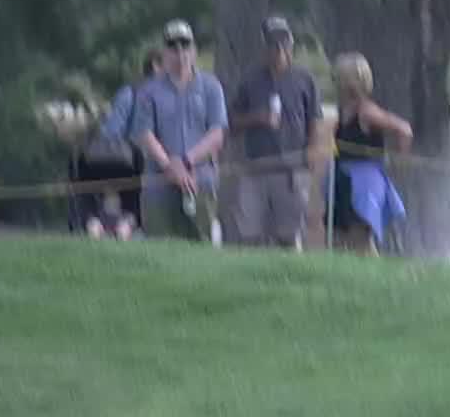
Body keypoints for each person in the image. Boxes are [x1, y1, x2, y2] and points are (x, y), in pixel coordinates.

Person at [129, 19, 228, 241]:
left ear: (194, 50)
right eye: (173, 46)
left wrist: (185, 161)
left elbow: (217, 134)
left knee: (201, 250)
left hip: (200, 182)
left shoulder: (211, 86)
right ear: (164, 52)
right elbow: (145, 134)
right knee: (159, 250)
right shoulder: (148, 91)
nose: (180, 52)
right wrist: (169, 166)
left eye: (185, 45)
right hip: (159, 184)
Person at [229, 15, 322, 249]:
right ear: (265, 46)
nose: (279, 49)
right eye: (273, 44)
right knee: (250, 236)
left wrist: (311, 152)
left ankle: (292, 280)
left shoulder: (305, 78)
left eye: (284, 42)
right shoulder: (250, 79)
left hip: (292, 171)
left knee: (289, 237)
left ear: (290, 43)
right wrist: (257, 117)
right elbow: (232, 122)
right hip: (256, 169)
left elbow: (315, 121)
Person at [75, 48, 163, 240]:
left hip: (105, 157)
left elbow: (110, 130)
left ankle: (94, 225)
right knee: (134, 205)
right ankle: (124, 228)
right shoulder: (160, 97)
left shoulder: (129, 91)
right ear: (156, 67)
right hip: (134, 161)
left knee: (88, 196)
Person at [329, 52, 412, 254]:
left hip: (364, 182)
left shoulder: (366, 111)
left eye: (338, 76)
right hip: (344, 178)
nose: (334, 81)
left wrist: (400, 161)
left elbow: (403, 129)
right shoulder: (344, 110)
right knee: (339, 239)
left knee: (360, 239)